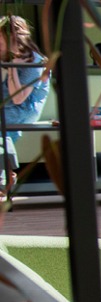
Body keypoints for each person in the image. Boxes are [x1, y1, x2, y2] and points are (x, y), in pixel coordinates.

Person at [0, 15, 48, 186]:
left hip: (24, 109)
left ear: (14, 40)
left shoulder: (33, 61)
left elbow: (18, 98)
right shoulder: (4, 55)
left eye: (1, 41)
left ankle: (4, 177)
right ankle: (6, 175)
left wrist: (12, 67)